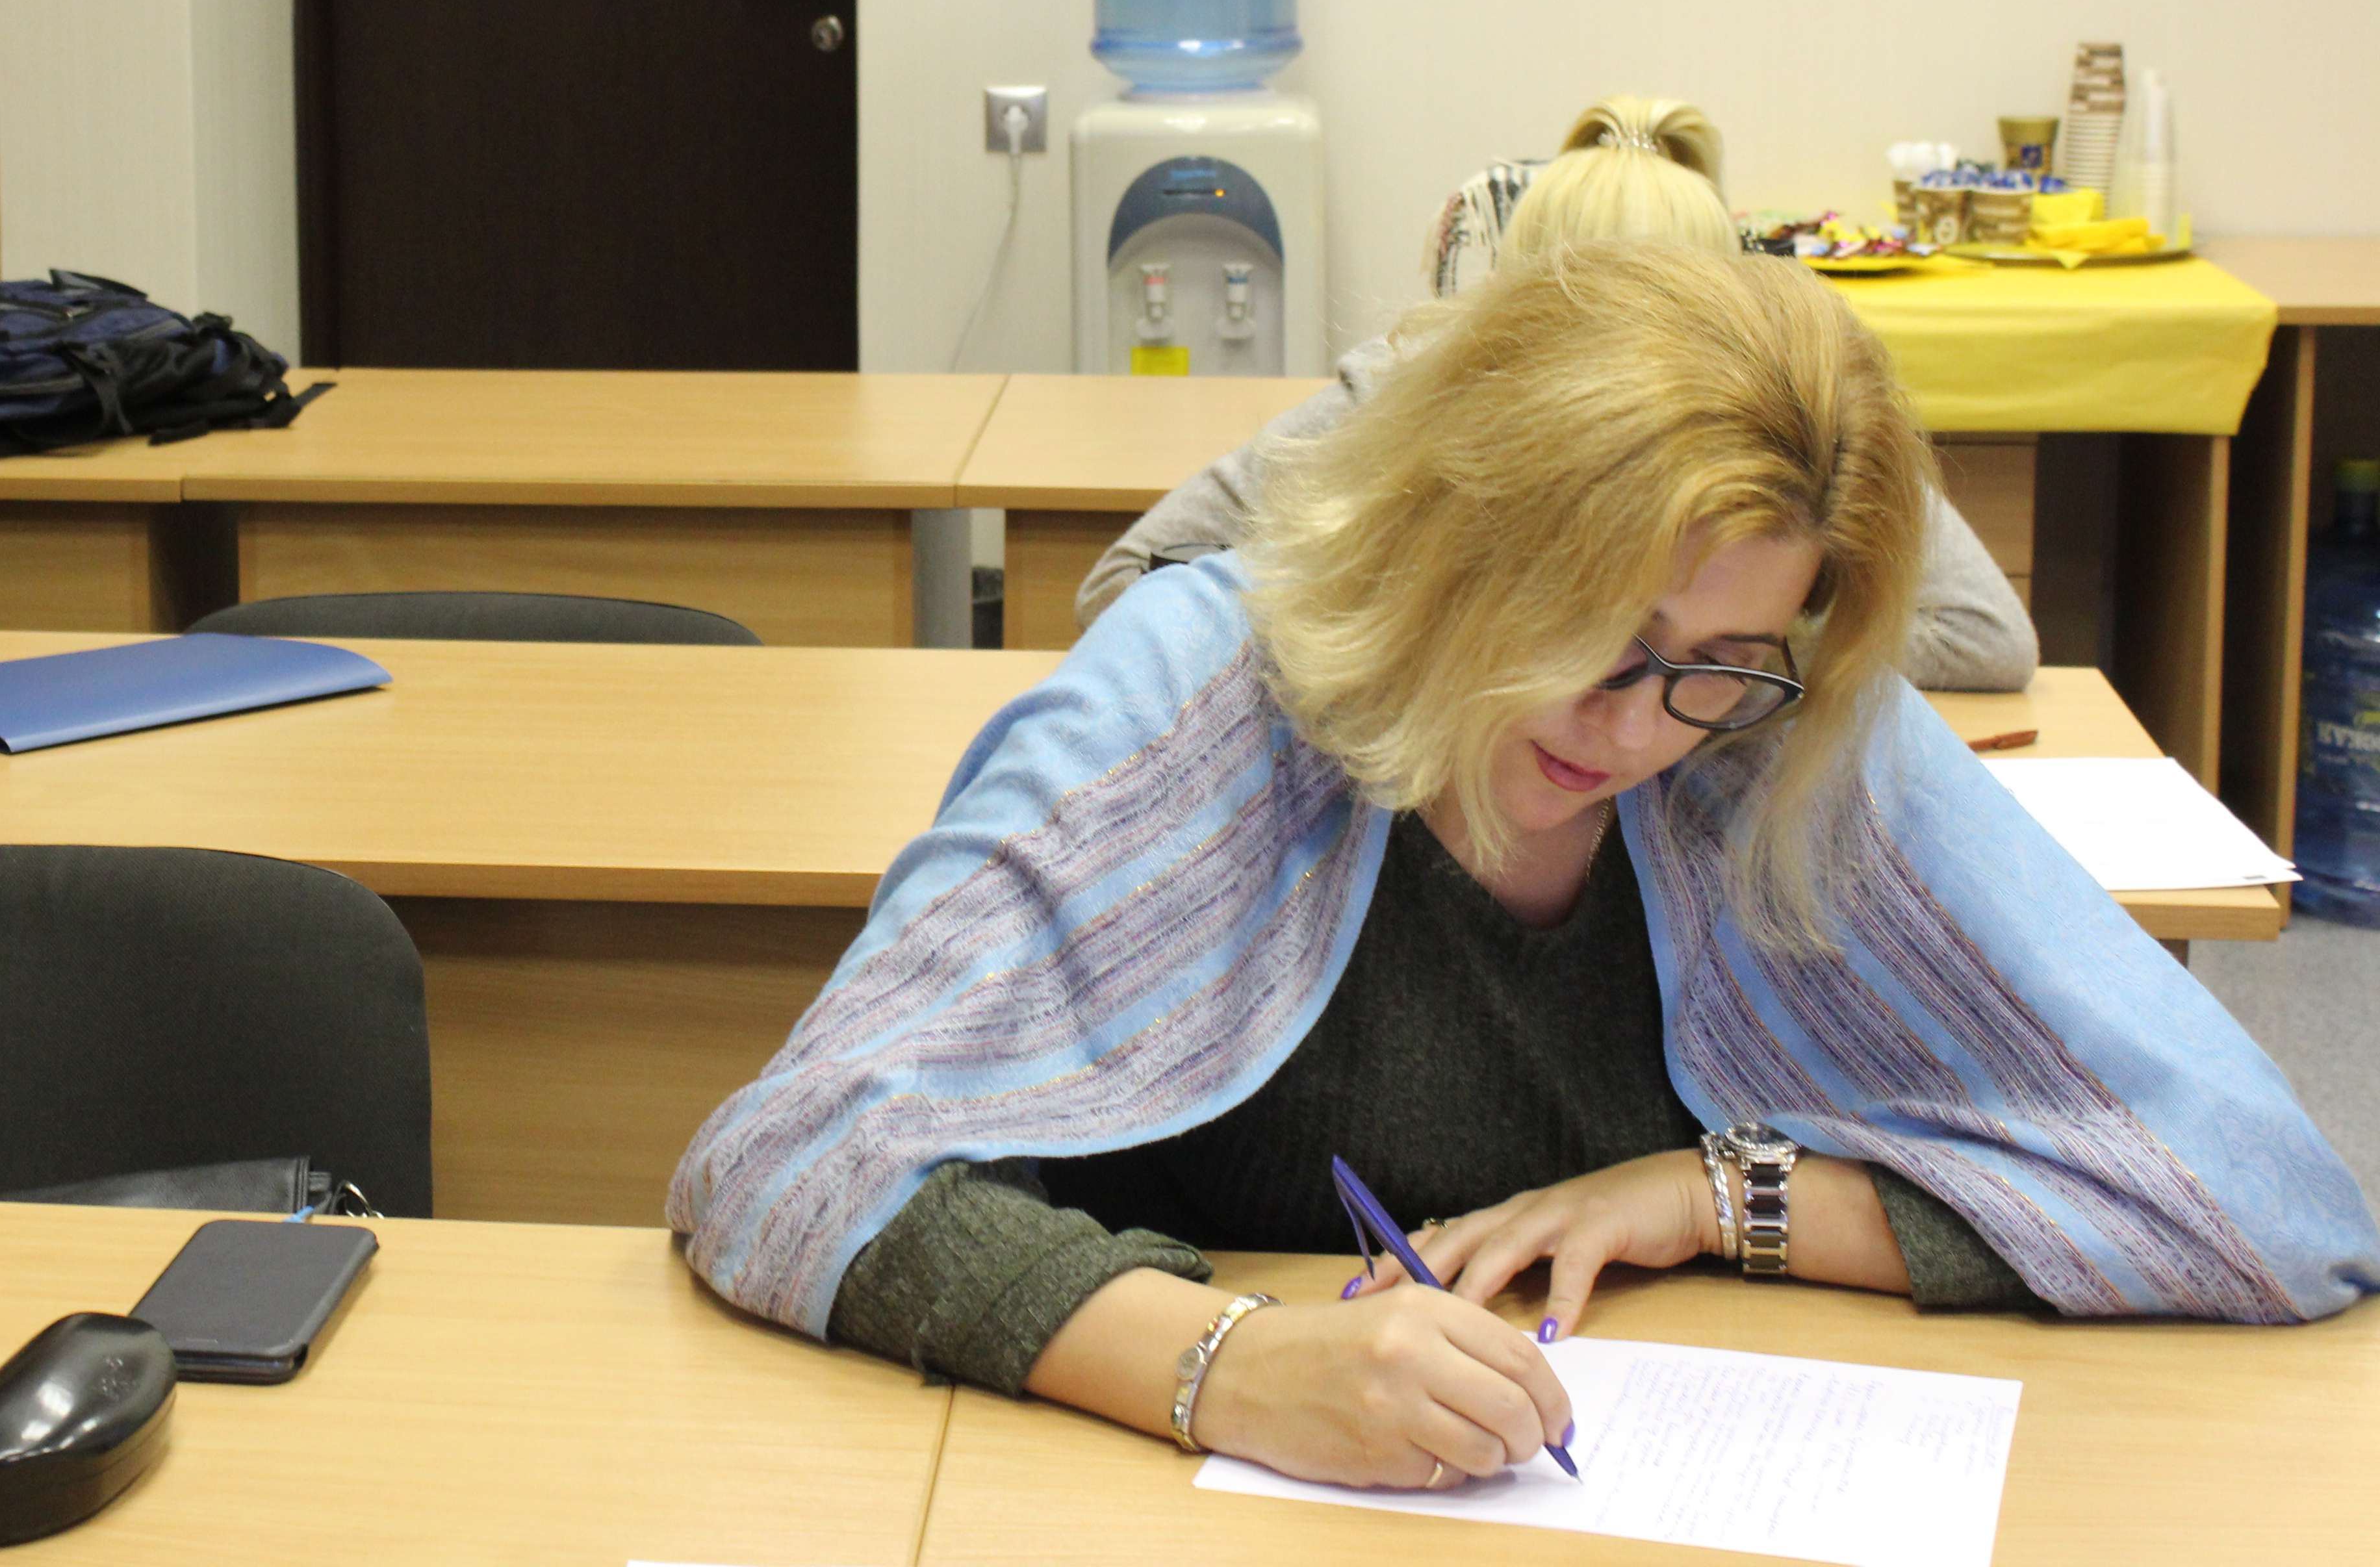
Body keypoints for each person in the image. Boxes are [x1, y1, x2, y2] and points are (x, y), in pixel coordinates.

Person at [673, 242, 2371, 1493]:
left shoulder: (1770, 730)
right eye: (1596, 631)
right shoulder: (1210, 688)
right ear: (1459, 527)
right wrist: (1226, 1366)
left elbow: (2260, 1208)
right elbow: (789, 1157)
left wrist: (1711, 1199)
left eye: (1718, 661)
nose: (1634, 729)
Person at [1077, 96, 2040, 692]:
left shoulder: (1794, 427)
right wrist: (1395, 619)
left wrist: (1738, 651)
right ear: (1517, 318)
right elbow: (1127, 585)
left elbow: (1988, 639)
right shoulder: (1411, 390)